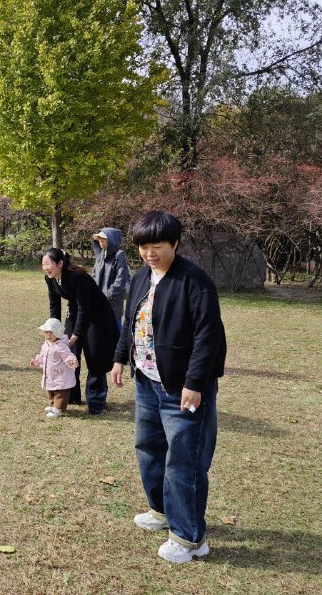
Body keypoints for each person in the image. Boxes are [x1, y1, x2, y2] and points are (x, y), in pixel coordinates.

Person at [111, 210, 226, 564]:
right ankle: (162, 512)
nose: (150, 253)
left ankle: (190, 538)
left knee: (185, 461)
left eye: (157, 245)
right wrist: (120, 358)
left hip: (183, 388)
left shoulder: (195, 281)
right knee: (148, 447)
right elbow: (131, 322)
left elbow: (209, 337)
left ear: (175, 243)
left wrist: (194, 383)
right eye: (144, 246)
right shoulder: (143, 277)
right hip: (147, 380)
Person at [41, 247, 120, 414]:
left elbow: (85, 308)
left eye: (48, 263)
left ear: (60, 263)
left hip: (97, 316)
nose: (46, 267)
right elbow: (54, 305)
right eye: (43, 264)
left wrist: (75, 336)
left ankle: (96, 401)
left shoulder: (78, 278)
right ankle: (71, 396)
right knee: (69, 354)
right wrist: (53, 330)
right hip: (76, 312)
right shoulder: (50, 279)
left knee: (95, 357)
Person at [29, 318, 80, 418]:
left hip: (61, 375)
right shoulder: (46, 344)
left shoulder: (61, 346)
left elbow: (67, 355)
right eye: (46, 332)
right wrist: (36, 361)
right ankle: (53, 405)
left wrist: (72, 361)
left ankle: (59, 409)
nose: (48, 335)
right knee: (51, 391)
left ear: (57, 333)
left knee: (60, 393)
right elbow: (42, 355)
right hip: (50, 374)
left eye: (50, 333)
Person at [91, 228, 131, 329]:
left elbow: (121, 277)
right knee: (101, 324)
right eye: (99, 240)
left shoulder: (119, 255)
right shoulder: (100, 254)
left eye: (103, 240)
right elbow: (94, 273)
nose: (101, 243)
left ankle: (120, 344)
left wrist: (111, 292)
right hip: (99, 297)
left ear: (112, 240)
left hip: (113, 298)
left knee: (115, 323)